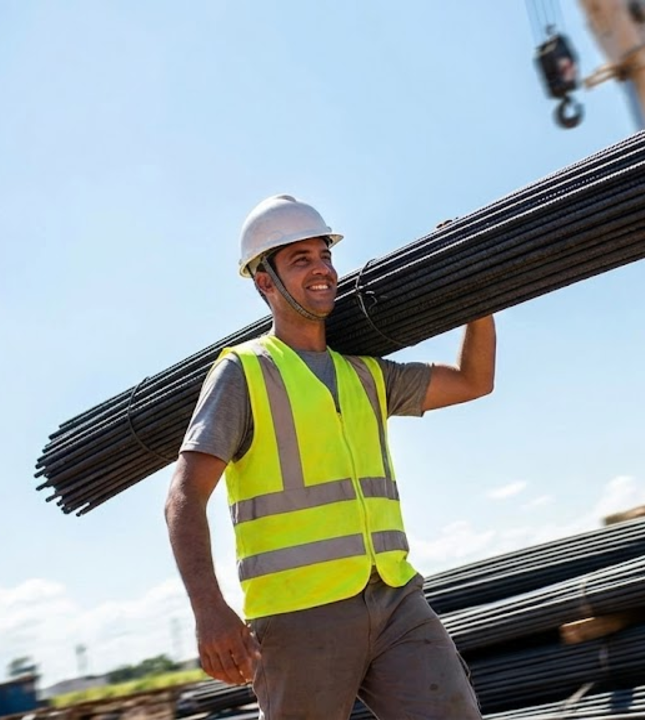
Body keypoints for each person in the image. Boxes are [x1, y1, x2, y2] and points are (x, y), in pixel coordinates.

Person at [165, 195, 495, 719]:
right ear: (265, 282)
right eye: (301, 260)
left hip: (394, 597)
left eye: (325, 255)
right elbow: (182, 499)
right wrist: (209, 610)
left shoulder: (365, 374)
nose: (321, 269)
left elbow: (474, 381)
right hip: (299, 615)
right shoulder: (244, 373)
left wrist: (477, 293)